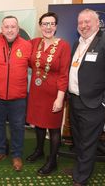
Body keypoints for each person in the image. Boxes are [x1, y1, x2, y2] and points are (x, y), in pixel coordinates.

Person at [68, 9, 105, 186]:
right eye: (80, 23)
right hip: (75, 100)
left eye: (87, 22)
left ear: (97, 23)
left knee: (88, 142)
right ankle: (80, 168)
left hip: (94, 104)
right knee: (77, 139)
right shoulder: (77, 43)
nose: (83, 26)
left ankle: (81, 177)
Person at [25, 12, 71, 175]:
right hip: (37, 92)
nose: (48, 27)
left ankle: (52, 160)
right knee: (38, 124)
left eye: (52, 24)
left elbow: (64, 74)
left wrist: (60, 98)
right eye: (45, 24)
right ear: (40, 26)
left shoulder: (64, 46)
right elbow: (22, 55)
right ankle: (39, 151)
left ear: (56, 26)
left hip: (53, 94)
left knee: (53, 129)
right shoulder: (34, 42)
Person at [0, 15, 32, 171]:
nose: (10, 29)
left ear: (18, 29)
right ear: (2, 29)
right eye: (7, 26)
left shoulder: (27, 46)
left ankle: (16, 155)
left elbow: (37, 66)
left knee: (17, 126)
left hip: (18, 96)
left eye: (13, 27)